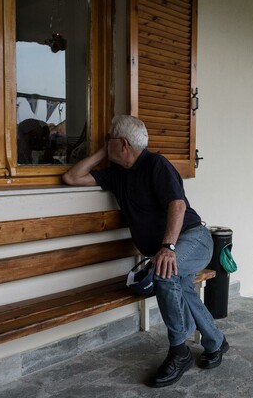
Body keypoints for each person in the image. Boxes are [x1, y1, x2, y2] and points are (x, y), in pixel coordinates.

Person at [62, 115, 227, 388]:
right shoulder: (117, 175)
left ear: (123, 144)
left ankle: (179, 352)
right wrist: (105, 149)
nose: (106, 143)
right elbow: (71, 177)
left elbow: (178, 206)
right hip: (171, 248)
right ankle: (216, 343)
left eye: (109, 139)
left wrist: (167, 248)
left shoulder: (156, 164)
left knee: (165, 274)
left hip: (193, 239)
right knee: (181, 287)